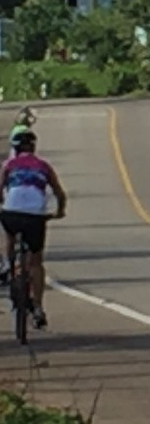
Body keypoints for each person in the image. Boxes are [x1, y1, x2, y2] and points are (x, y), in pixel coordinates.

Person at [2, 127, 67, 328]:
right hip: (35, 217)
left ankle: (8, 265)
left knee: (9, 234)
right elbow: (60, 194)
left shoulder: (9, 165)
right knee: (36, 261)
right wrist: (60, 212)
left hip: (12, 213)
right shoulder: (44, 166)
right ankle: (38, 307)